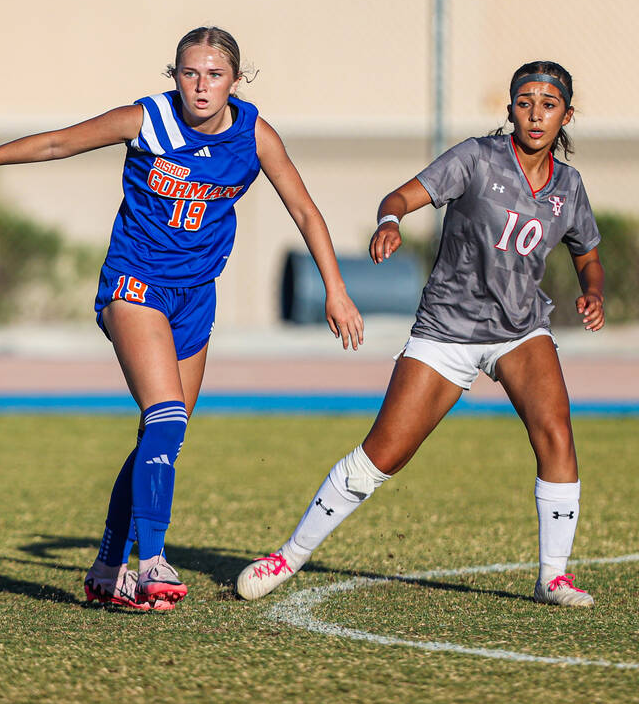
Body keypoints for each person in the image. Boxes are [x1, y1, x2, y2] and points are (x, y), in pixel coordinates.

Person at [0, 26, 365, 611]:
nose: (200, 86)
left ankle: (107, 567)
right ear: (174, 75)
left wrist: (336, 291)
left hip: (195, 296)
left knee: (161, 436)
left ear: (236, 79)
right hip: (135, 287)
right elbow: (59, 143)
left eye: (214, 74)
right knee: (165, 417)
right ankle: (151, 563)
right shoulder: (148, 119)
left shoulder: (255, 134)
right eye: (189, 73)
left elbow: (307, 213)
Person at [236, 60, 605, 608]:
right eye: (525, 103)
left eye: (549, 105)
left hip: (520, 330)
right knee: (381, 455)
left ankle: (553, 576)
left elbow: (588, 253)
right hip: (447, 330)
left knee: (556, 434)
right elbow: (400, 197)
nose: (535, 114)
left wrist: (592, 291)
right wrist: (390, 222)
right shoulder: (477, 158)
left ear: (566, 116)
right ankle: (287, 556)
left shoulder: (568, 186)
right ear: (510, 110)